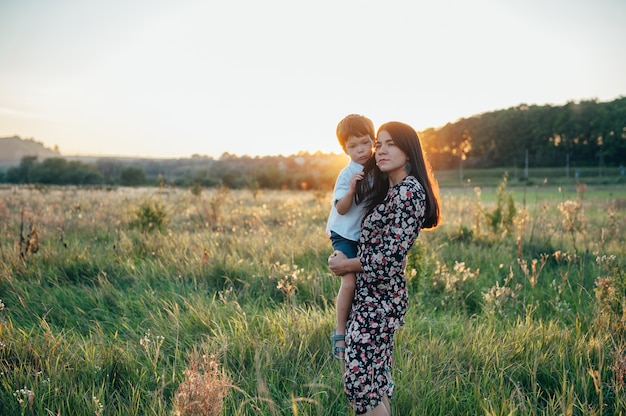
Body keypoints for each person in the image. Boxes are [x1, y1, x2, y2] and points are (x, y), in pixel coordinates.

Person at [328, 121, 441, 415]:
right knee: (372, 383)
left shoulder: (408, 192)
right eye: (380, 144)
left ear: (408, 150)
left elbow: (388, 258)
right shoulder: (389, 189)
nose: (381, 150)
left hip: (380, 300)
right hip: (368, 297)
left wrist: (346, 265)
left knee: (361, 385)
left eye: (391, 144)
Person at [326, 114, 375, 360]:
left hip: (360, 235)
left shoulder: (377, 167)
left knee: (365, 282)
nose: (360, 150)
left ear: (373, 140)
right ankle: (340, 332)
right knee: (350, 282)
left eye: (365, 143)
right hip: (344, 233)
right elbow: (342, 209)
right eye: (353, 146)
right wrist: (353, 189)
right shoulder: (347, 175)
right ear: (344, 150)